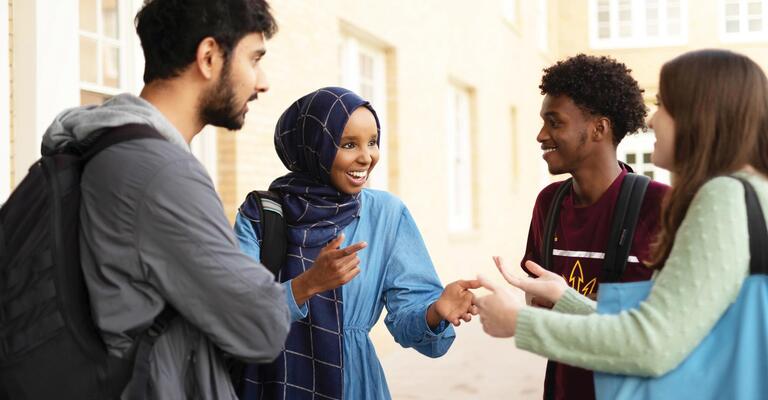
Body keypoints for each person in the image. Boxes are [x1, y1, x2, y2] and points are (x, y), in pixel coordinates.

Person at [476, 49, 768, 397]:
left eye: (663, 105)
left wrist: (517, 322)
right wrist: (567, 299)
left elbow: (652, 344)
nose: (652, 121)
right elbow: (675, 326)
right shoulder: (751, 191)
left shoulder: (722, 196)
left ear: (701, 115)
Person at [39, 0, 290, 398]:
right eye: (254, 58)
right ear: (209, 57)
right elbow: (263, 326)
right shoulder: (160, 173)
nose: (262, 82)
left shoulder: (107, 145)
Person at [234, 87, 479, 399]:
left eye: (373, 142)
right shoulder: (262, 214)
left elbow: (410, 324)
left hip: (354, 386)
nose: (367, 157)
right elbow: (235, 313)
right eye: (349, 144)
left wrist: (434, 312)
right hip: (271, 383)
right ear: (313, 147)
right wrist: (307, 284)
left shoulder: (387, 215)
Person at [516, 54, 669, 399]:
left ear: (599, 128)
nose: (541, 135)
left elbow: (662, 323)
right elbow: (536, 292)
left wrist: (567, 302)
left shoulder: (662, 207)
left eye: (554, 123)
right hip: (562, 387)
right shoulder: (548, 202)